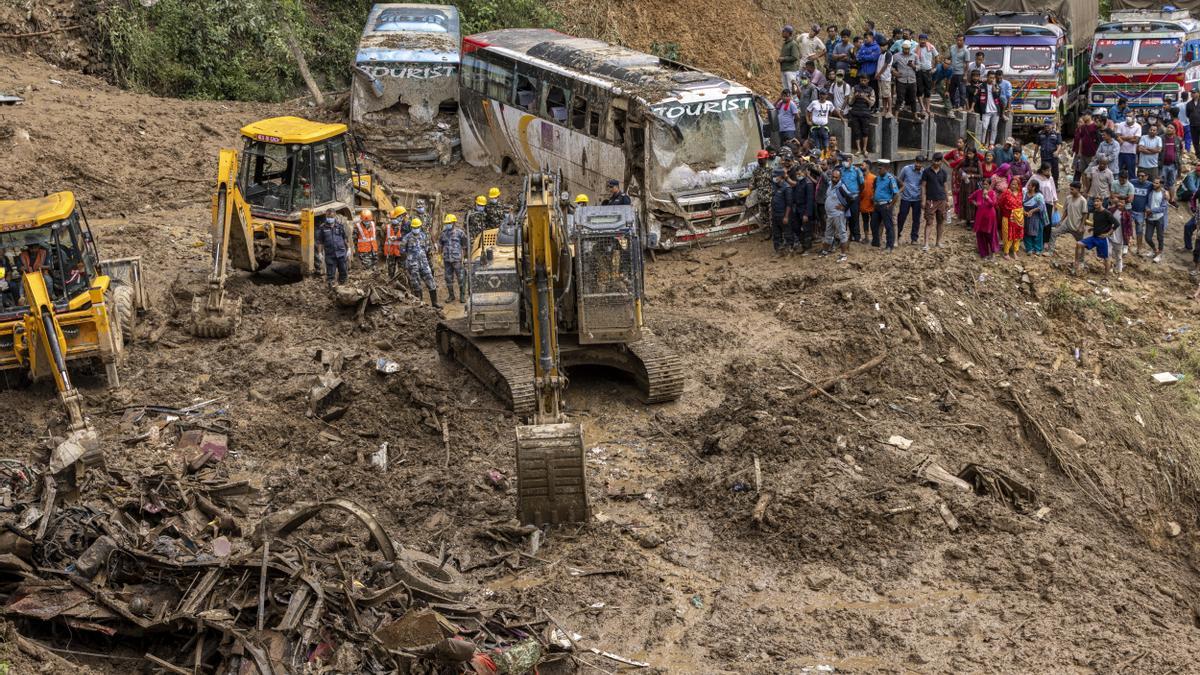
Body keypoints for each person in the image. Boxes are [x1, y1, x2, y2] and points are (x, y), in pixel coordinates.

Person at [400, 217, 439, 307]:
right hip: (413, 265)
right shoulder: (406, 238)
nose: (415, 229)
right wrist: (407, 262)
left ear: (420, 227)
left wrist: (429, 261)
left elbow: (428, 249)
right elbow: (402, 251)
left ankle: (435, 303)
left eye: (417, 227)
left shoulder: (424, 236)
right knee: (416, 285)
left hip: (424, 263)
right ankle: (420, 305)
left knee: (431, 281)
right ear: (411, 227)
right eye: (414, 227)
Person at [1076, 198, 1117, 276]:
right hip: (1094, 237)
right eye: (1094, 201)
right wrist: (1093, 228)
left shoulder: (1107, 213)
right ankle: (1076, 264)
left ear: (1102, 202)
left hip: (1103, 239)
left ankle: (1106, 276)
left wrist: (1108, 234)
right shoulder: (1095, 212)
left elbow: (1116, 224)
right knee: (1078, 244)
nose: (1095, 203)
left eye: (1098, 201)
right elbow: (1099, 223)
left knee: (1106, 258)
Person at [1046, 182, 1087, 254]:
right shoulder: (1068, 198)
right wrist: (1061, 221)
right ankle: (1050, 251)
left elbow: (1085, 214)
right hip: (1067, 224)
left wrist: (1081, 226)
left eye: (1072, 189)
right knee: (1054, 233)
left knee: (1081, 244)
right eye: (1070, 189)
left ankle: (1081, 261)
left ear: (1077, 189)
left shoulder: (1083, 201)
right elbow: (1066, 211)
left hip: (1077, 227)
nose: (1070, 191)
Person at [821, 167, 852, 262]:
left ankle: (843, 255)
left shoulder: (842, 186)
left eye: (836, 178)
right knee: (828, 233)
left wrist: (844, 207)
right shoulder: (830, 184)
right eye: (833, 177)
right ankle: (825, 252)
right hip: (830, 214)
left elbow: (851, 198)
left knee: (842, 234)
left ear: (840, 178)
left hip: (838, 215)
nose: (834, 179)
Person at [921, 152, 950, 249]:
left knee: (940, 221)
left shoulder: (944, 172)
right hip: (930, 200)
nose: (937, 163)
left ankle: (938, 242)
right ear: (932, 160)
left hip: (941, 200)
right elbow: (923, 186)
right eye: (935, 160)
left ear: (941, 161)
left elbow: (945, 186)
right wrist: (923, 200)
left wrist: (947, 200)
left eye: (939, 161)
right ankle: (926, 243)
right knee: (929, 222)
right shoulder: (926, 171)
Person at [438, 214, 469, 302]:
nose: (448, 224)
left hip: (457, 260)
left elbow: (465, 246)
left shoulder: (460, 232)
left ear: (454, 222)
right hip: (447, 260)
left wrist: (465, 258)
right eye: (446, 223)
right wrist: (439, 257)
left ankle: (462, 296)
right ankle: (451, 296)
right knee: (448, 278)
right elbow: (440, 245)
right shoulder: (443, 233)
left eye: (449, 223)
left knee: (461, 277)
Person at [872, 159, 899, 250]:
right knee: (874, 224)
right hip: (877, 205)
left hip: (885, 205)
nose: (878, 170)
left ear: (886, 168)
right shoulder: (877, 178)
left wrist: (890, 205)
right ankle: (876, 243)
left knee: (888, 226)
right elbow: (875, 189)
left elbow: (896, 194)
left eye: (880, 168)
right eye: (878, 168)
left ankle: (889, 246)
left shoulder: (891, 179)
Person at [316, 213, 349, 288]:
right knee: (330, 274)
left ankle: (343, 287)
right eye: (328, 217)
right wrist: (319, 253)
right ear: (326, 217)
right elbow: (320, 242)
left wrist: (349, 248)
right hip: (330, 255)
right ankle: (331, 289)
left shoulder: (340, 226)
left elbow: (345, 238)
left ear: (334, 217)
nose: (329, 219)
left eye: (331, 217)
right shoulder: (322, 228)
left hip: (341, 253)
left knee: (343, 271)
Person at [896, 155, 924, 243]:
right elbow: (899, 180)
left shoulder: (924, 172)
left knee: (916, 219)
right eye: (917, 162)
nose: (918, 165)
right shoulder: (906, 169)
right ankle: (897, 235)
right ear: (914, 161)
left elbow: (923, 185)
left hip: (917, 199)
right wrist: (898, 193)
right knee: (901, 217)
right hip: (905, 198)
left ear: (922, 164)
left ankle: (914, 238)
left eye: (920, 163)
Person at [970, 179, 1000, 259]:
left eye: (986, 184)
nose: (984, 186)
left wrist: (987, 197)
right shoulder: (978, 192)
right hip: (980, 216)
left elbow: (993, 204)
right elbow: (970, 198)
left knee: (991, 234)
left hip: (990, 217)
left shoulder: (992, 193)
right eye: (983, 184)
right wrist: (976, 204)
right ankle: (984, 254)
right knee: (980, 234)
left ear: (990, 185)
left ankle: (993, 254)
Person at [838, 154, 864, 241]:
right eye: (844, 160)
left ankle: (856, 236)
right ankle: (844, 236)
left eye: (847, 160)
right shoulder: (841, 170)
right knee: (843, 217)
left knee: (854, 217)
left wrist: (857, 194)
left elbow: (862, 184)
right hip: (843, 198)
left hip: (854, 197)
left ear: (851, 161)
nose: (845, 162)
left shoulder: (857, 171)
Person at [790, 166, 817, 253]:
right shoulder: (798, 183)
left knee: (806, 230)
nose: (798, 175)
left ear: (805, 173)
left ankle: (807, 248)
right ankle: (803, 245)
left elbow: (810, 200)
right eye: (797, 173)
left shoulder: (808, 184)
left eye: (800, 173)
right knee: (796, 227)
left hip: (805, 209)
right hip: (797, 209)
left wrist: (807, 214)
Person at [973, 71, 1003, 146]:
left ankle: (991, 144)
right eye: (990, 78)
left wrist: (993, 86)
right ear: (987, 77)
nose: (992, 79)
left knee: (994, 128)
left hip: (996, 111)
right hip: (986, 111)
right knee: (984, 127)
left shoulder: (998, 87)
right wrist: (971, 107)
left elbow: (997, 96)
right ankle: (982, 143)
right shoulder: (981, 86)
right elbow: (976, 97)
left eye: (993, 78)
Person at [849, 74, 876, 155]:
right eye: (861, 80)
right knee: (856, 132)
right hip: (855, 113)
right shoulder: (854, 88)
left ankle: (864, 149)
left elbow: (872, 103)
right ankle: (858, 149)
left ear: (868, 80)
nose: (863, 82)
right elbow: (850, 102)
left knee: (865, 131)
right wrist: (855, 96)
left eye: (865, 80)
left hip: (865, 114)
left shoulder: (871, 90)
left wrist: (865, 98)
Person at [998, 178, 1025, 259]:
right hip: (1007, 217)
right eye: (1012, 184)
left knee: (1017, 235)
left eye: (1015, 184)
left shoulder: (1020, 194)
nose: (1013, 186)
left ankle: (1015, 251)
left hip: (1019, 218)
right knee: (1007, 235)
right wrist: (1007, 211)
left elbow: (1021, 204)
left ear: (1018, 185)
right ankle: (1006, 252)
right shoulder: (1006, 193)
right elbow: (1000, 203)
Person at [1145, 177, 1168, 263]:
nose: (1154, 184)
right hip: (1150, 218)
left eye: (1156, 183)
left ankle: (1159, 254)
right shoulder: (1150, 192)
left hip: (1159, 218)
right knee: (1147, 237)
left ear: (1161, 185)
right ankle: (1155, 250)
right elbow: (1147, 203)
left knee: (1160, 237)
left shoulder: (1164, 194)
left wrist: (1151, 210)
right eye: (1154, 182)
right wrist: (1147, 208)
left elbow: (1163, 207)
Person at [892, 41, 919, 118]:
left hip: (912, 80)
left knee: (913, 99)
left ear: (910, 48)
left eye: (907, 49)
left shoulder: (915, 56)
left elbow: (919, 66)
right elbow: (890, 65)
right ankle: (896, 115)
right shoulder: (897, 56)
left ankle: (915, 115)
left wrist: (913, 66)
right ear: (902, 48)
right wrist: (894, 72)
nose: (906, 50)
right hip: (901, 80)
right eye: (904, 49)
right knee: (900, 98)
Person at [1023, 181, 1049, 254]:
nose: (1028, 186)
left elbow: (1041, 206)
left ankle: (1037, 249)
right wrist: (1024, 212)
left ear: (1034, 187)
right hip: (1026, 215)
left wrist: (1032, 211)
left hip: (1036, 216)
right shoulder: (1024, 193)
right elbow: (1021, 203)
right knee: (1026, 231)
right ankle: (1029, 248)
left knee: (1037, 232)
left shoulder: (1039, 196)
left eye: (1030, 185)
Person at [1128, 169, 1151, 256]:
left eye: (1142, 176)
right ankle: (1125, 246)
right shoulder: (1133, 182)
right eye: (1139, 175)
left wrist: (1165, 193)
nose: (1140, 177)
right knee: (1126, 228)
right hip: (1130, 210)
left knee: (1139, 231)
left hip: (1141, 212)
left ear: (1147, 177)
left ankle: (1139, 248)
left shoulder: (1149, 185)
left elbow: (1159, 187)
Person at [914, 34, 938, 118]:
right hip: (919, 71)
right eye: (921, 39)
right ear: (919, 40)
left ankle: (928, 108)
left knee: (928, 91)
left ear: (926, 40)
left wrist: (934, 68)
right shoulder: (916, 48)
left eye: (924, 39)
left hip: (928, 72)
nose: (922, 41)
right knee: (919, 90)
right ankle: (922, 108)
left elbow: (936, 57)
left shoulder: (931, 47)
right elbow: (913, 58)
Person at [769, 169, 792, 254]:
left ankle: (789, 250)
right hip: (775, 214)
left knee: (787, 233)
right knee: (776, 234)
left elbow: (789, 204)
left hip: (783, 214)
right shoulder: (775, 186)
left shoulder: (787, 187)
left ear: (781, 176)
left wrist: (786, 216)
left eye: (776, 176)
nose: (774, 178)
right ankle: (779, 250)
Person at [751, 149, 774, 228]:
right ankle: (767, 233)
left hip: (770, 198)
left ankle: (774, 234)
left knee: (772, 219)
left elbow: (776, 183)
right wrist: (748, 189)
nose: (760, 160)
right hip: (761, 199)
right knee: (764, 219)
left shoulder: (771, 170)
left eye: (761, 159)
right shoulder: (756, 171)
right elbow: (752, 184)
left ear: (766, 159)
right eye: (759, 159)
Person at [1073, 112, 1100, 179]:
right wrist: (1079, 152)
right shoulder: (1083, 127)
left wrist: (1096, 154)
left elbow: (1098, 141)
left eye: (1085, 115)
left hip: (1092, 153)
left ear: (1089, 115)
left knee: (1091, 173)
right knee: (1082, 172)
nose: (1083, 116)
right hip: (1083, 153)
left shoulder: (1095, 126)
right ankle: (1085, 188)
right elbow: (1081, 140)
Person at [1115, 115, 1143, 180]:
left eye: (1130, 116)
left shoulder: (1138, 126)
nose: (1128, 117)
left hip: (1131, 152)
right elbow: (1117, 137)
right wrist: (1131, 137)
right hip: (1120, 152)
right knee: (1118, 171)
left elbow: (1136, 140)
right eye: (1127, 115)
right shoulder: (1121, 124)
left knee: (1131, 173)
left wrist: (1123, 137)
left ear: (1134, 118)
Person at [856, 34, 881, 101]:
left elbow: (874, 58)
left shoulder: (876, 47)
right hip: (863, 72)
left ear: (872, 37)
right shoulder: (863, 46)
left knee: (873, 89)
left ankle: (875, 106)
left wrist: (864, 57)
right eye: (864, 38)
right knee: (862, 90)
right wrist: (868, 57)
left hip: (872, 73)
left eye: (867, 38)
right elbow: (858, 57)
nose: (865, 39)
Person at [857, 160, 876, 244]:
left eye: (862, 165)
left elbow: (877, 189)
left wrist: (874, 197)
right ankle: (867, 237)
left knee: (874, 221)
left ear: (867, 166)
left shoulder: (874, 177)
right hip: (863, 202)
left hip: (872, 203)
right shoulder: (860, 177)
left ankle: (875, 237)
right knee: (865, 220)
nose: (861, 166)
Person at [1162, 124, 1182, 201]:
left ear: (1174, 130)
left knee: (1172, 183)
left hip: (1173, 165)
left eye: (1171, 128)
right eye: (1168, 127)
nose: (1169, 129)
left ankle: (1172, 200)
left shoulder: (1178, 139)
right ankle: (1162, 200)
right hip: (1163, 165)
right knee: (1162, 182)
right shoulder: (1161, 138)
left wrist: (1179, 162)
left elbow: (1180, 151)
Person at [949, 35, 970, 110]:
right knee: (951, 90)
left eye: (961, 40)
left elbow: (967, 64)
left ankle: (961, 105)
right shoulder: (952, 48)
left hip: (960, 73)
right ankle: (953, 105)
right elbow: (949, 58)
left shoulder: (966, 51)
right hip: (952, 72)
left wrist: (965, 75)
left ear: (964, 41)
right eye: (958, 40)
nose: (959, 42)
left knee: (962, 90)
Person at [384, 207, 406, 278]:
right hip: (390, 251)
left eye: (395, 218)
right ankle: (391, 281)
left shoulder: (403, 227)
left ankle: (401, 282)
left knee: (401, 270)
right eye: (392, 219)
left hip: (400, 251)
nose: (394, 220)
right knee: (390, 270)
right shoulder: (386, 227)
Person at [779, 25, 802, 93]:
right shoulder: (785, 43)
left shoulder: (793, 44)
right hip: (784, 69)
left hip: (791, 70)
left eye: (784, 31)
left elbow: (795, 57)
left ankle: (794, 103)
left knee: (792, 89)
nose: (782, 32)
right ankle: (788, 103)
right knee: (786, 90)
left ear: (789, 33)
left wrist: (783, 59)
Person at [876, 46, 894, 117]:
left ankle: (889, 110)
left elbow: (885, 65)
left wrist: (879, 74)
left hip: (886, 77)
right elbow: (878, 65)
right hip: (881, 78)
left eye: (882, 46)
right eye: (880, 46)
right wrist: (877, 74)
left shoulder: (888, 54)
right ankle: (884, 110)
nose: (881, 48)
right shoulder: (881, 55)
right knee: (883, 95)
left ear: (886, 46)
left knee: (888, 95)